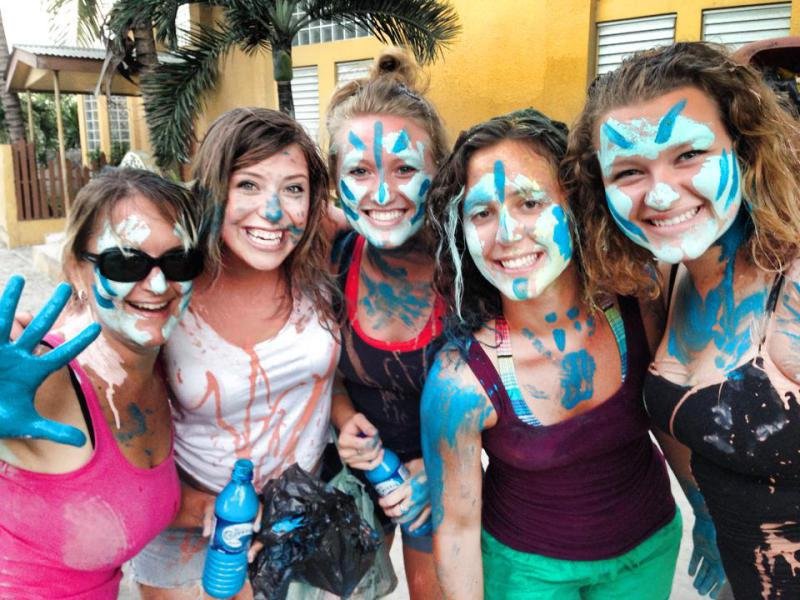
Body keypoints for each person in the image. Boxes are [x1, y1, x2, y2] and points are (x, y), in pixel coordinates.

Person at [565, 41, 800, 599]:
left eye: (688, 155)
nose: (661, 193)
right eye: (628, 171)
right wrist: (708, 519)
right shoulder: (667, 280)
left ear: (744, 149)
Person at [420, 109, 682, 599]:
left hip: (649, 554)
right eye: (482, 213)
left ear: (576, 203)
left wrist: (708, 517)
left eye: (529, 202)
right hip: (525, 577)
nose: (507, 234)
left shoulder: (637, 305)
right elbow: (454, 529)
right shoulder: (459, 383)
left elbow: (673, 423)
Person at [130, 108, 341, 598]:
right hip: (192, 528)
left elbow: (387, 215)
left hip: (299, 520)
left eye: (293, 189)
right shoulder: (165, 287)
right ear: (210, 190)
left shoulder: (317, 256)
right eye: (247, 184)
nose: (272, 211)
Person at [0, 169, 204, 598]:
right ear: (77, 269)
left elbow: (124, 499)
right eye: (126, 262)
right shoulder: (43, 378)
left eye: (179, 260)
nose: (160, 284)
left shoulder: (163, 369)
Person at [325, 48, 449, 597]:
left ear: (437, 173)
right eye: (359, 170)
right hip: (351, 477)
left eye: (404, 169)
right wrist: (344, 417)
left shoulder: (473, 268)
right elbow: (308, 362)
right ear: (334, 180)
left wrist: (440, 468)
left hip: (445, 477)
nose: (381, 195)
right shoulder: (327, 257)